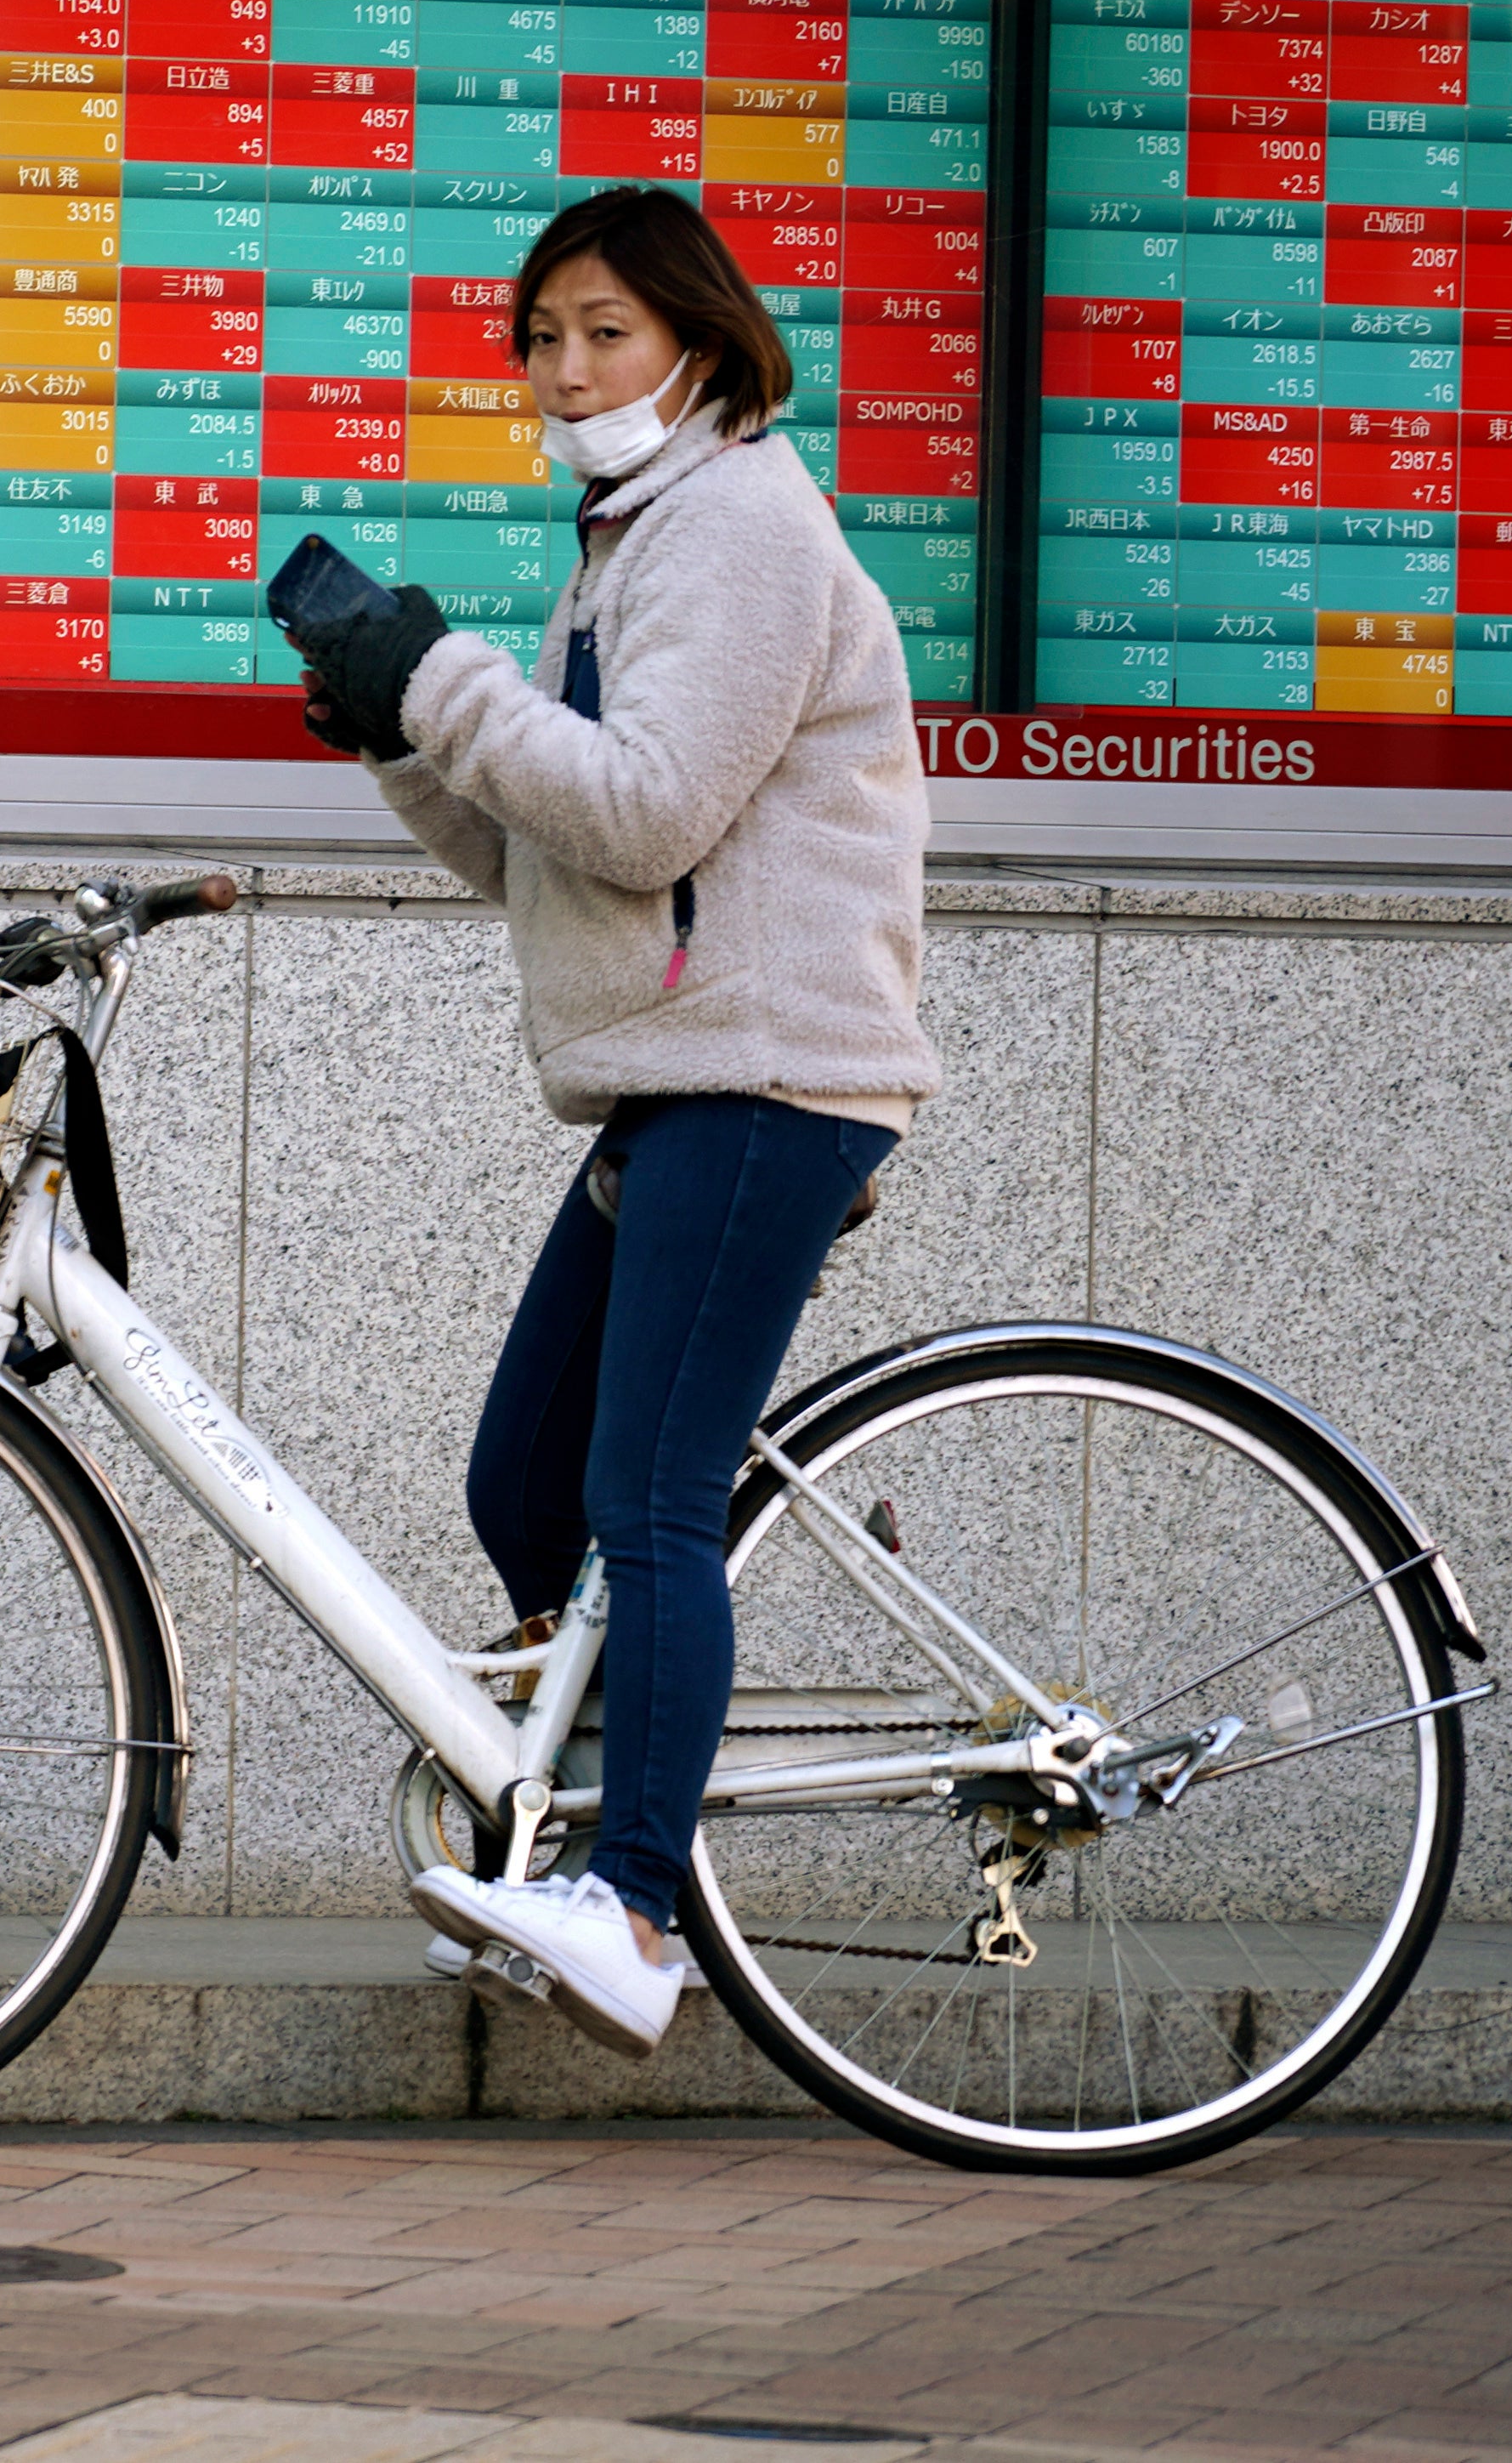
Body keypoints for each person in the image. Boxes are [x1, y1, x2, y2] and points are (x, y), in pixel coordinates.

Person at [279, 184, 938, 2057]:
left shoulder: (737, 524)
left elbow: (643, 815)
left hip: (766, 1071)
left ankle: (634, 1910)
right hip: (672, 1073)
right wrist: (401, 734)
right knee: (523, 1486)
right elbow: (544, 857)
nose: (568, 371)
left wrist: (448, 682)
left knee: (647, 1507)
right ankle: (580, 1806)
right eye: (541, 337)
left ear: (701, 345)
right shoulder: (628, 538)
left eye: (605, 332)